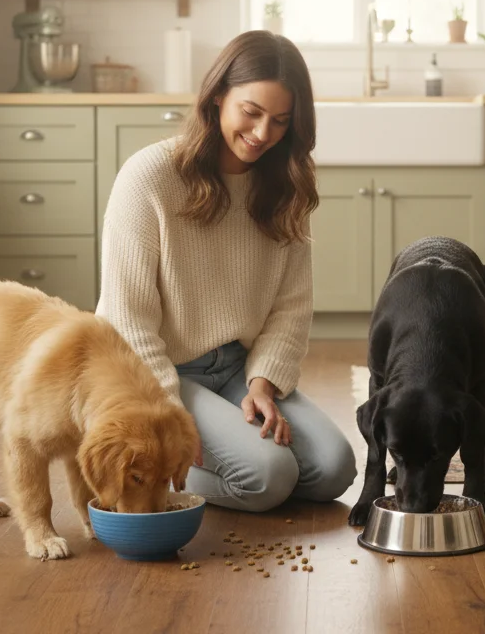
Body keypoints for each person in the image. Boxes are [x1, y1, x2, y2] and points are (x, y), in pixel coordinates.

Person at [96, 30, 355, 512]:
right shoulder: (149, 176)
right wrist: (170, 412)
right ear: (217, 97)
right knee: (269, 478)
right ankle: (168, 468)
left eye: (280, 121)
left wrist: (262, 383)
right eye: (251, 113)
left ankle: (231, 458)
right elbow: (126, 318)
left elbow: (290, 308)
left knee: (334, 468)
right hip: (157, 371)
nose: (263, 135)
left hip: (238, 367)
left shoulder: (285, 186)